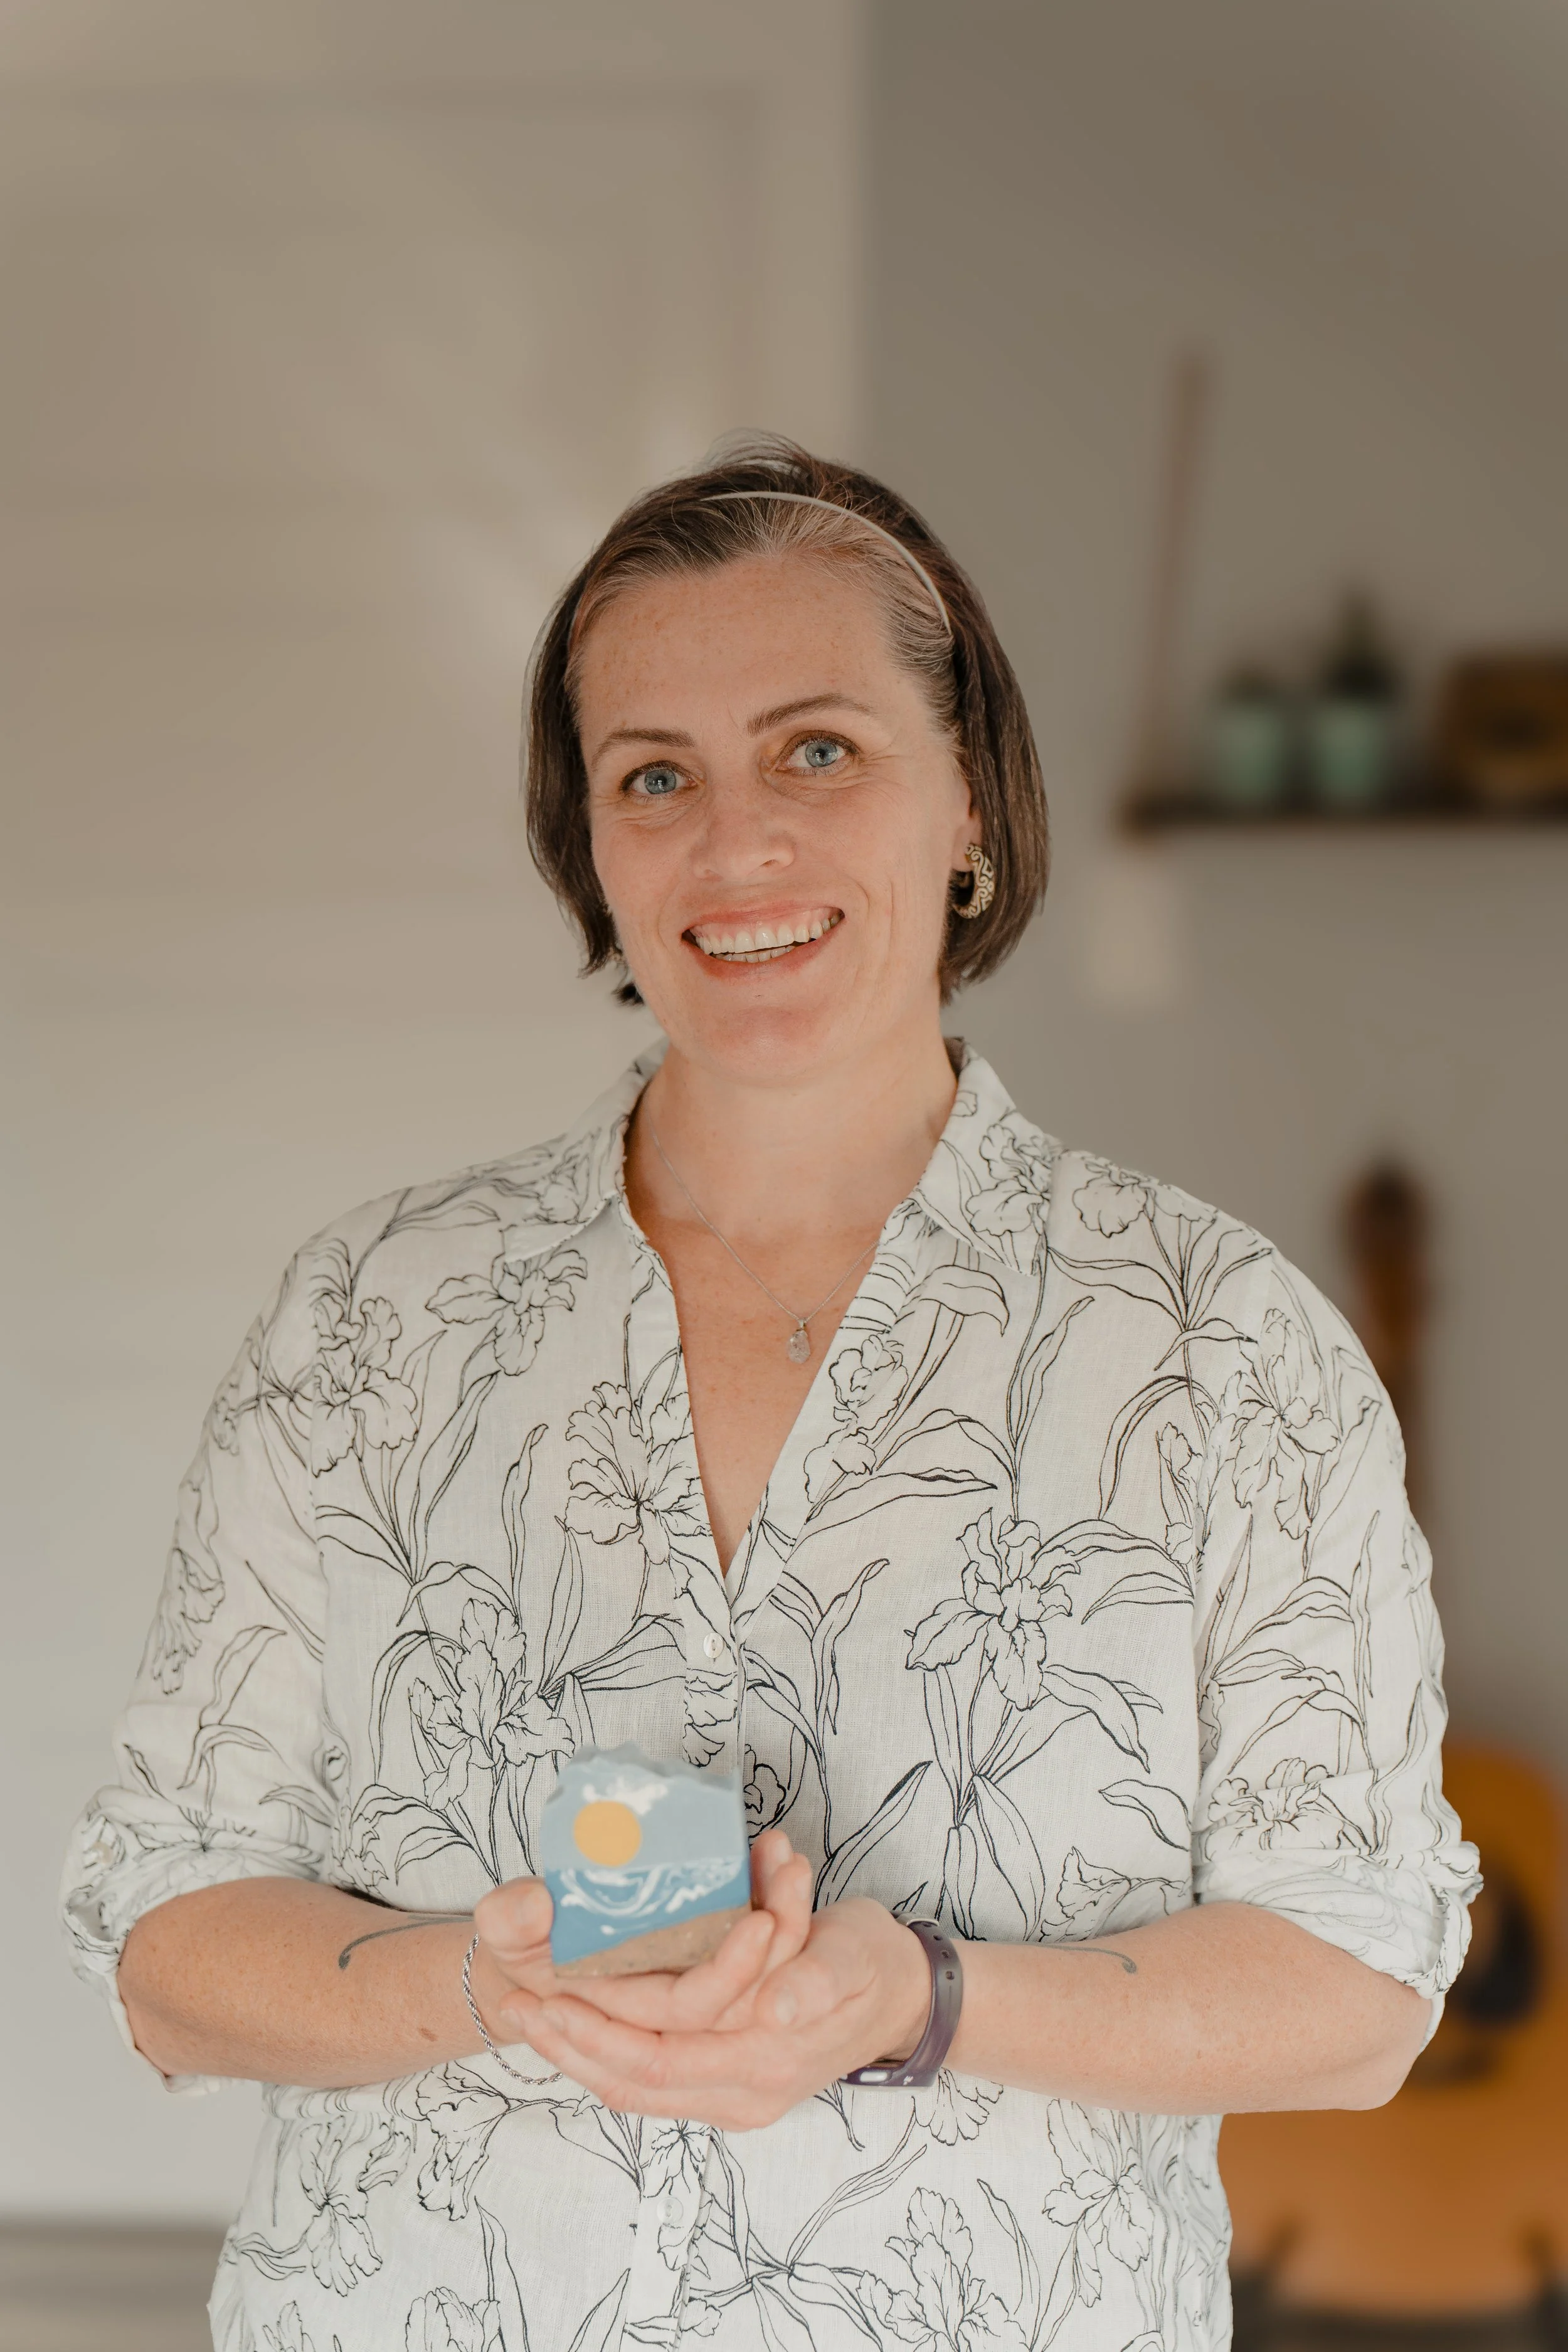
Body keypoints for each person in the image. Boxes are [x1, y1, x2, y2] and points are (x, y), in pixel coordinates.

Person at [63, 440, 1479, 2352]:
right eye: (656, 775)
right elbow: (167, 1938)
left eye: (817, 748)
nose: (738, 847)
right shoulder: (369, 1323)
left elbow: (1360, 1979)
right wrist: (485, 1978)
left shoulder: (1221, 1344)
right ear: (593, 844)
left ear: (967, 797)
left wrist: (923, 1994)